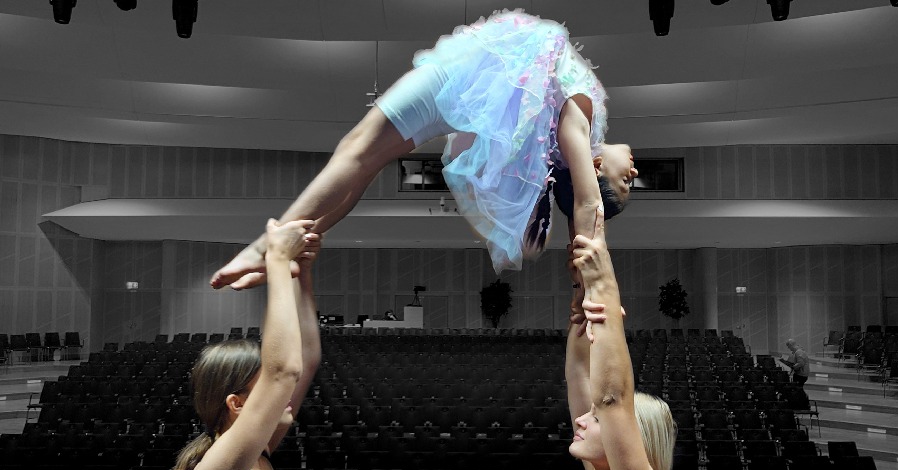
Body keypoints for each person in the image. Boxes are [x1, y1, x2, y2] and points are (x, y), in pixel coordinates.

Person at [210, 9, 638, 290]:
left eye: (624, 181)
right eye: (630, 181)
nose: (635, 173)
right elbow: (583, 207)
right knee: (366, 158)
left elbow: (585, 205)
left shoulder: (578, 124)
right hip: (465, 96)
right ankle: (286, 248)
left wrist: (594, 289)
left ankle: (268, 245)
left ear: (596, 164)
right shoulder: (566, 144)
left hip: (454, 82)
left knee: (359, 149)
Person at [157, 218, 321, 470]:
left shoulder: (258, 451)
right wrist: (275, 260)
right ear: (237, 403)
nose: (286, 391)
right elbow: (284, 371)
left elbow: (308, 357)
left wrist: (300, 274)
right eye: (264, 388)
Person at [559, 208, 675, 470]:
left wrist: (604, 286)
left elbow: (612, 400)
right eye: (591, 418)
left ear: (629, 439)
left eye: (594, 420)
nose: (581, 420)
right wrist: (582, 296)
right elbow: (579, 373)